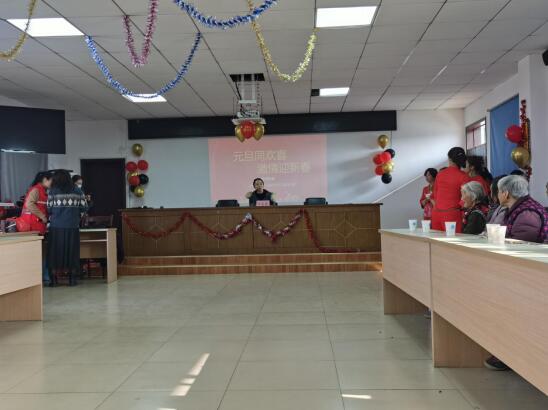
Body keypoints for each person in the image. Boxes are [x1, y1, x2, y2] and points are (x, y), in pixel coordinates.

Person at [47, 170, 87, 286]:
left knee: (55, 252)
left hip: (56, 227)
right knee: (72, 252)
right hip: (72, 226)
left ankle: (53, 281)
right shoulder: (77, 190)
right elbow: (84, 207)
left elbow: (49, 208)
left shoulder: (53, 191)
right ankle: (72, 279)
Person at [497, 175, 547, 243]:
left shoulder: (527, 214)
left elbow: (520, 244)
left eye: (499, 191)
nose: (498, 195)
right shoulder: (520, 207)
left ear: (506, 194)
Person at [431, 147, 471, 233]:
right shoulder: (464, 176)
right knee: (453, 240)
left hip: (436, 213)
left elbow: (435, 194)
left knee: (436, 240)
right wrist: (458, 207)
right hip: (452, 214)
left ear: (449, 159)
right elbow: (466, 198)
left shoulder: (440, 174)